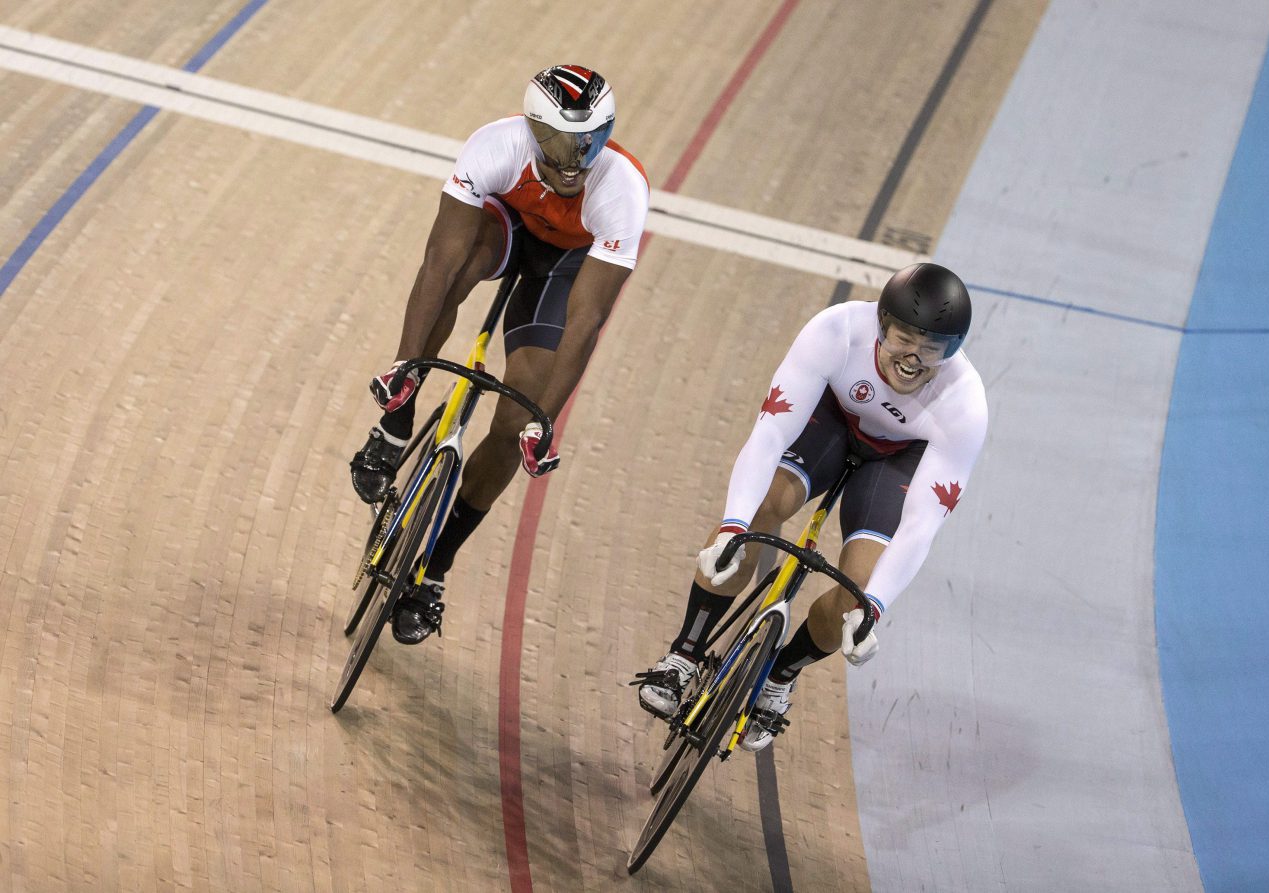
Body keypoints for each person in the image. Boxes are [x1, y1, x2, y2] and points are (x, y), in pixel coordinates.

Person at [350, 64, 649, 645]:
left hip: (566, 269)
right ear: (534, 130)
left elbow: (584, 324)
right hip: (504, 230)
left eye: (592, 139)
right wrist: (403, 366)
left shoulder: (621, 190)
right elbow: (439, 261)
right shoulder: (497, 146)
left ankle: (434, 569)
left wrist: (544, 423)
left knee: (515, 419)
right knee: (458, 268)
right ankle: (395, 427)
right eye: (563, 141)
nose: (576, 157)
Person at [637, 263, 988, 751]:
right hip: (830, 421)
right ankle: (685, 654)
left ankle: (779, 675)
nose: (913, 358)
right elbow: (772, 431)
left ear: (952, 350)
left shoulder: (964, 403)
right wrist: (733, 527)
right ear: (882, 324)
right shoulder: (838, 329)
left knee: (858, 588)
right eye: (904, 338)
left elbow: (921, 526)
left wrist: (874, 608)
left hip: (897, 462)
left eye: (933, 348)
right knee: (763, 509)